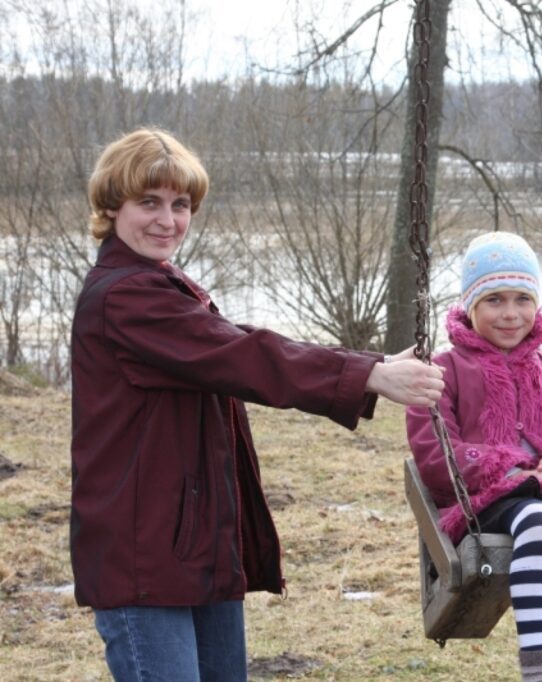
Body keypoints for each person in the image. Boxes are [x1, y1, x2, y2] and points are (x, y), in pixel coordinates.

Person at [70, 127, 445, 681]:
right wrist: (367, 375)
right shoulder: (125, 296)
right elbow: (243, 355)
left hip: (191, 542)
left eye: (180, 205)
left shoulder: (163, 283)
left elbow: (232, 339)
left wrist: (369, 363)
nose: (167, 220)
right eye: (148, 202)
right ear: (112, 205)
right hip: (143, 559)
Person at [407, 232, 542, 682]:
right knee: (537, 521)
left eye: (523, 299)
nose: (511, 314)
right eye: (494, 300)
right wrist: (510, 468)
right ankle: (540, 671)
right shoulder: (442, 370)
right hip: (485, 504)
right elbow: (436, 454)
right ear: (469, 304)